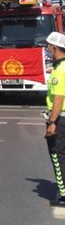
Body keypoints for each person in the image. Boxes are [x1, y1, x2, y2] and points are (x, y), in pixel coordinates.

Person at [45, 32, 65, 206]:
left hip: (61, 119)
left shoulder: (60, 70)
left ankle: (63, 193)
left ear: (54, 47)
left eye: (48, 46)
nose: (47, 50)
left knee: (57, 156)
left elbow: (59, 98)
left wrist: (52, 122)